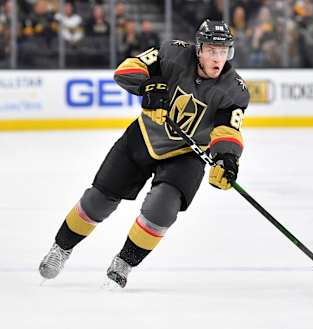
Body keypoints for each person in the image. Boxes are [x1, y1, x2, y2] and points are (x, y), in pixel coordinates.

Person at [38, 19, 250, 288]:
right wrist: (150, 86)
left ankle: (124, 262)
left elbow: (227, 130)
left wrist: (227, 159)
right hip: (145, 136)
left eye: (223, 51)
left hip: (186, 153)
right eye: (211, 50)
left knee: (163, 208)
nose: (217, 58)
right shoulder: (171, 53)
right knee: (98, 200)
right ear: (198, 49)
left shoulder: (234, 90)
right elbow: (127, 69)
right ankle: (61, 248)